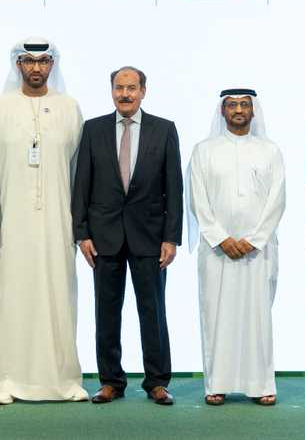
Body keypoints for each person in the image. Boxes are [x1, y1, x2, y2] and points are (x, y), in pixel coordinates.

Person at [0, 38, 88, 403]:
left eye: (43, 61)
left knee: (58, 295)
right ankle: (6, 381)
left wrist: (80, 227)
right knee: (13, 295)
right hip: (12, 223)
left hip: (59, 222)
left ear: (52, 65)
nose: (36, 68)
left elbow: (79, 173)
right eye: (28, 61)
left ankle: (64, 380)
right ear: (18, 65)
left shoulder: (69, 108)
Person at [72, 66, 183, 406]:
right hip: (103, 237)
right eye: (119, 88)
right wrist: (82, 234)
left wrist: (171, 238)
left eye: (131, 88)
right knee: (106, 313)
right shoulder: (92, 129)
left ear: (143, 91)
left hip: (150, 237)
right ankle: (110, 381)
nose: (125, 94)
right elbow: (81, 185)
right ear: (111, 91)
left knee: (153, 312)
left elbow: (174, 188)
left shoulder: (164, 129)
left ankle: (157, 382)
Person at [187, 89, 285, 406]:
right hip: (217, 250)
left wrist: (254, 239)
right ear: (222, 111)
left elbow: (277, 199)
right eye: (232, 105)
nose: (239, 110)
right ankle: (216, 384)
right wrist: (221, 237)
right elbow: (197, 198)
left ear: (254, 111)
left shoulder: (270, 151)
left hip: (258, 250)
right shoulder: (204, 151)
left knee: (258, 317)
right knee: (217, 315)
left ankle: (260, 384)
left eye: (244, 104)